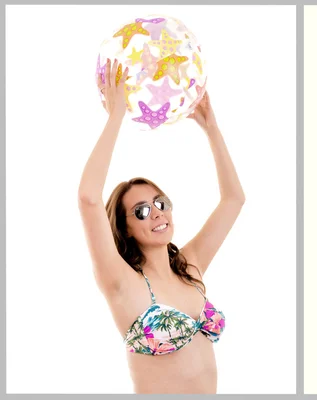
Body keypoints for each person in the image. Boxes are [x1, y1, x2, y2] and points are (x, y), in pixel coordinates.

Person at [78, 58, 245, 394]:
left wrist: (211, 128)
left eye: (161, 203)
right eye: (141, 211)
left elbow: (233, 200)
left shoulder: (190, 267)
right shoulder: (121, 282)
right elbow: (88, 199)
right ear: (124, 229)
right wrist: (115, 117)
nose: (156, 214)